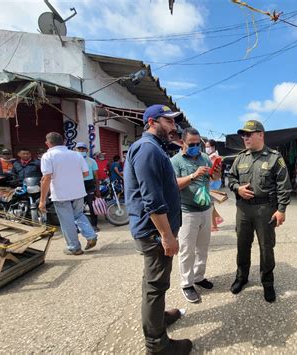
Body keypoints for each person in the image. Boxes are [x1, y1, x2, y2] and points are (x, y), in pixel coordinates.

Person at [124, 104, 192, 354]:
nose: (174, 127)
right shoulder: (147, 150)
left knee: (153, 283)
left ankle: (158, 317)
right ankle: (157, 345)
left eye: (174, 122)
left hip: (155, 232)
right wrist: (167, 236)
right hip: (155, 234)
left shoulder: (153, 149)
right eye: (169, 121)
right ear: (152, 122)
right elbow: (151, 199)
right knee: (155, 286)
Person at [227, 120, 291, 302]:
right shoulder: (240, 157)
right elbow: (231, 177)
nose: (245, 138)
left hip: (266, 209)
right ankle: (241, 277)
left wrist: (282, 209)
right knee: (242, 245)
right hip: (243, 209)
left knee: (266, 247)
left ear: (261, 134)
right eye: (243, 135)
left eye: (249, 134)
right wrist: (237, 188)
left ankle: (268, 282)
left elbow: (283, 185)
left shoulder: (274, 157)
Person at [171, 129, 220, 303]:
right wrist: (193, 175)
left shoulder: (204, 158)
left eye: (197, 144)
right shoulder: (175, 161)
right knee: (187, 250)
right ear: (182, 143)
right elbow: (174, 185)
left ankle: (198, 277)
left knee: (202, 248)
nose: (195, 147)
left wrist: (216, 172)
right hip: (187, 211)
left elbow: (212, 178)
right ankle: (186, 283)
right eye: (191, 144)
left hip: (205, 209)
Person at [39, 132, 97, 255]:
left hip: (61, 194)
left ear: (48, 143)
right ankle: (91, 235)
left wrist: (42, 200)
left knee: (67, 221)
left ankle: (74, 247)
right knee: (78, 215)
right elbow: (86, 173)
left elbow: (46, 178)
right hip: (78, 192)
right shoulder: (76, 155)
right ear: (64, 141)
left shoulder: (47, 156)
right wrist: (73, 178)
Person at [75, 142, 100, 232]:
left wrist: (97, 190)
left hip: (89, 185)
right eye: (79, 149)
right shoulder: (73, 161)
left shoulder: (92, 161)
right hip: (78, 186)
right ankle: (78, 227)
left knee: (92, 206)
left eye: (83, 149)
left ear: (87, 150)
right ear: (75, 150)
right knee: (78, 208)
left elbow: (96, 176)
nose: (81, 151)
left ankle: (94, 225)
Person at [205, 139, 224, 231]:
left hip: (213, 181)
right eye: (206, 146)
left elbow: (213, 170)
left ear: (213, 147)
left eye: (208, 146)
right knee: (210, 203)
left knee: (210, 204)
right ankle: (217, 220)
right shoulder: (212, 156)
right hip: (213, 180)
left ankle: (214, 226)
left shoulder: (214, 157)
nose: (206, 148)